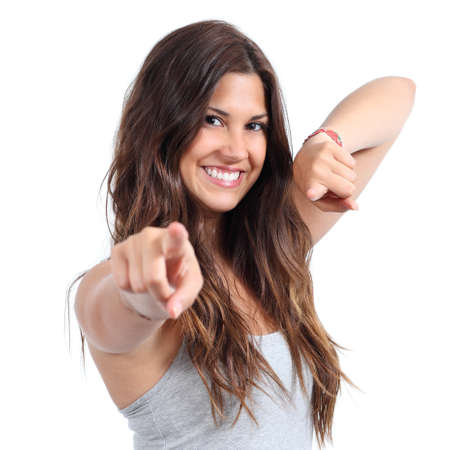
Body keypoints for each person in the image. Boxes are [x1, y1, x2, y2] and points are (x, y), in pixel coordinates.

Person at [67, 19, 415, 450]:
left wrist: (325, 141)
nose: (235, 150)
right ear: (162, 126)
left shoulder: (272, 248)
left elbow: (399, 92)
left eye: (254, 126)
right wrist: (144, 289)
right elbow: (116, 309)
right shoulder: (120, 280)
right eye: (212, 120)